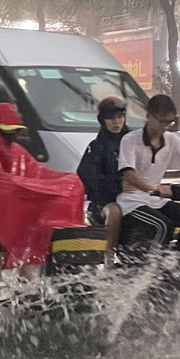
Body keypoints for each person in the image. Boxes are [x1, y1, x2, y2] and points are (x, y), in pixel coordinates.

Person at [0, 102, 85, 293]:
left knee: (35, 223)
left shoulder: (17, 152)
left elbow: (37, 172)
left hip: (9, 210)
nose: (11, 135)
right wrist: (13, 184)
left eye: (15, 130)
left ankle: (27, 274)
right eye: (7, 130)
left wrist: (64, 182)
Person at [116, 94, 180, 255]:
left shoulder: (172, 141)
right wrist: (152, 189)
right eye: (162, 121)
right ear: (149, 116)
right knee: (163, 226)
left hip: (157, 200)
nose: (166, 126)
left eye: (170, 122)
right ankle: (152, 267)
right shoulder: (130, 140)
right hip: (132, 201)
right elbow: (129, 174)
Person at [77, 97, 130, 265]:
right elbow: (87, 180)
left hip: (133, 197)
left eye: (120, 117)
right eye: (111, 118)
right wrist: (117, 186)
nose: (116, 122)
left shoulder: (134, 143)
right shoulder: (96, 147)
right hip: (103, 202)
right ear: (102, 120)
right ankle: (109, 259)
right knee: (114, 211)